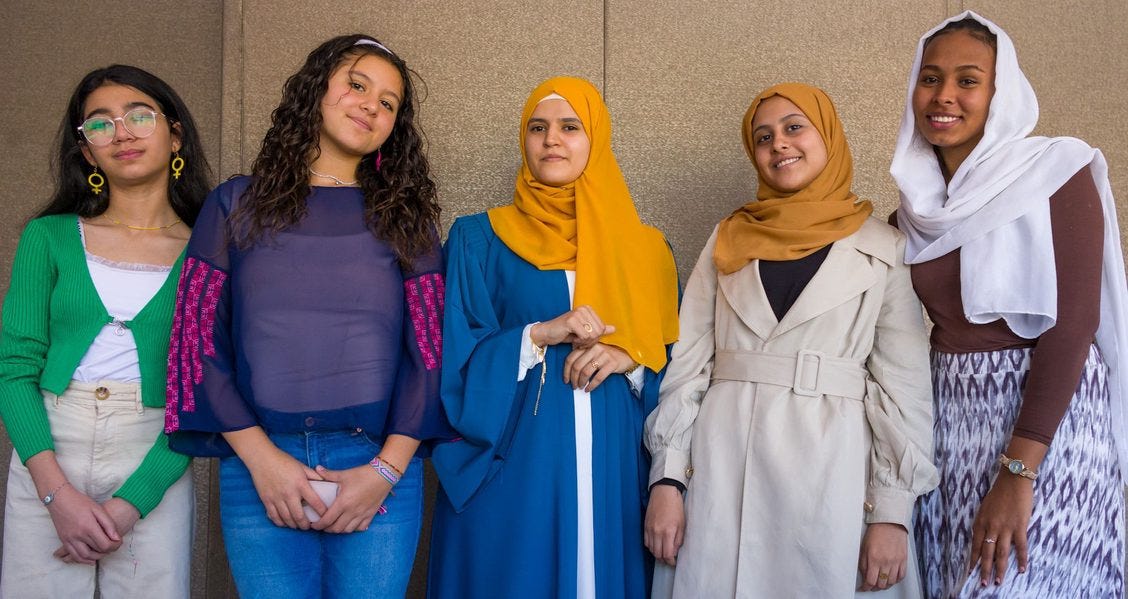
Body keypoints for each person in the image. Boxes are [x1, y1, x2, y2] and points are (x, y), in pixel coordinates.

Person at [163, 34, 448, 598]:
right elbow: (195, 342)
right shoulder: (233, 204)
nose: (371, 104)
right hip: (261, 464)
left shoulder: (407, 220)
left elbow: (431, 353)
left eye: (389, 103)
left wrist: (385, 473)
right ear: (316, 90)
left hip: (379, 470)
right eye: (357, 84)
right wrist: (261, 460)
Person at [644, 82, 938, 598]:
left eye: (794, 127)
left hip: (834, 471)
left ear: (828, 136)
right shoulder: (727, 237)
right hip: (722, 463)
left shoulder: (883, 248)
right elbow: (687, 367)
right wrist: (668, 480)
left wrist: (893, 512)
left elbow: (905, 389)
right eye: (763, 137)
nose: (778, 144)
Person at [891, 11, 1128, 597]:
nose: (944, 95)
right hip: (949, 418)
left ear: (1001, 92)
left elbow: (1073, 326)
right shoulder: (911, 214)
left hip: (1048, 420)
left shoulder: (1056, 171)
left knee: (1014, 581)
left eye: (968, 80)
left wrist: (1019, 472)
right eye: (930, 77)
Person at [427, 76, 680, 599]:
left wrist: (628, 358)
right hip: (514, 464)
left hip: (613, 465)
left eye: (570, 127)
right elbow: (452, 361)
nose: (551, 140)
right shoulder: (479, 238)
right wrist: (539, 334)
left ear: (597, 140)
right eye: (537, 128)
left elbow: (680, 374)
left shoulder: (647, 250)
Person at [0, 64, 211, 597]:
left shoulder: (210, 254)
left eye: (140, 115)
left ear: (175, 134)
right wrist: (55, 494)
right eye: (100, 124)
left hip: (155, 450)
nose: (121, 132)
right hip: (49, 447)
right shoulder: (47, 237)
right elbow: (14, 367)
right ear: (87, 152)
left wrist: (132, 501)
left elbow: (204, 390)